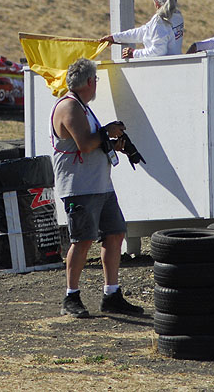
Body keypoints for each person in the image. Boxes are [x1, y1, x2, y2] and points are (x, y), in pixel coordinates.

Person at [50, 58, 144, 318]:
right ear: (89, 81)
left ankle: (111, 294)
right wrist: (107, 132)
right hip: (80, 187)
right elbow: (84, 144)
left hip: (100, 184)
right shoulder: (69, 107)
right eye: (96, 81)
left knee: (115, 234)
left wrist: (115, 145)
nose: (96, 85)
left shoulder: (81, 107)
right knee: (82, 241)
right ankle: (71, 297)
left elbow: (93, 143)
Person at [99, 0, 184, 59]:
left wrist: (134, 53)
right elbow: (143, 32)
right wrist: (115, 38)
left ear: (156, 2)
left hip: (160, 70)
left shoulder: (159, 21)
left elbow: (158, 51)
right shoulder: (178, 16)